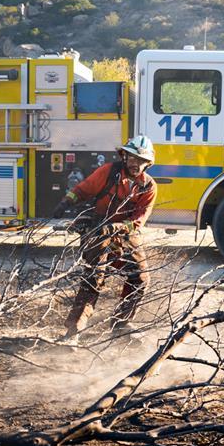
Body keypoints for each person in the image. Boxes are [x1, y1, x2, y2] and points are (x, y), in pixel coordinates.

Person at [51, 135, 158, 338]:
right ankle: (73, 331)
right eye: (133, 158)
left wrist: (114, 228)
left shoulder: (148, 186)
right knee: (94, 278)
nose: (136, 163)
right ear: (124, 157)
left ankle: (121, 324)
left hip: (126, 234)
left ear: (148, 163)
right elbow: (82, 190)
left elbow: (137, 221)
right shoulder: (108, 172)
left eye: (141, 160)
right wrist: (66, 202)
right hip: (97, 229)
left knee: (140, 277)